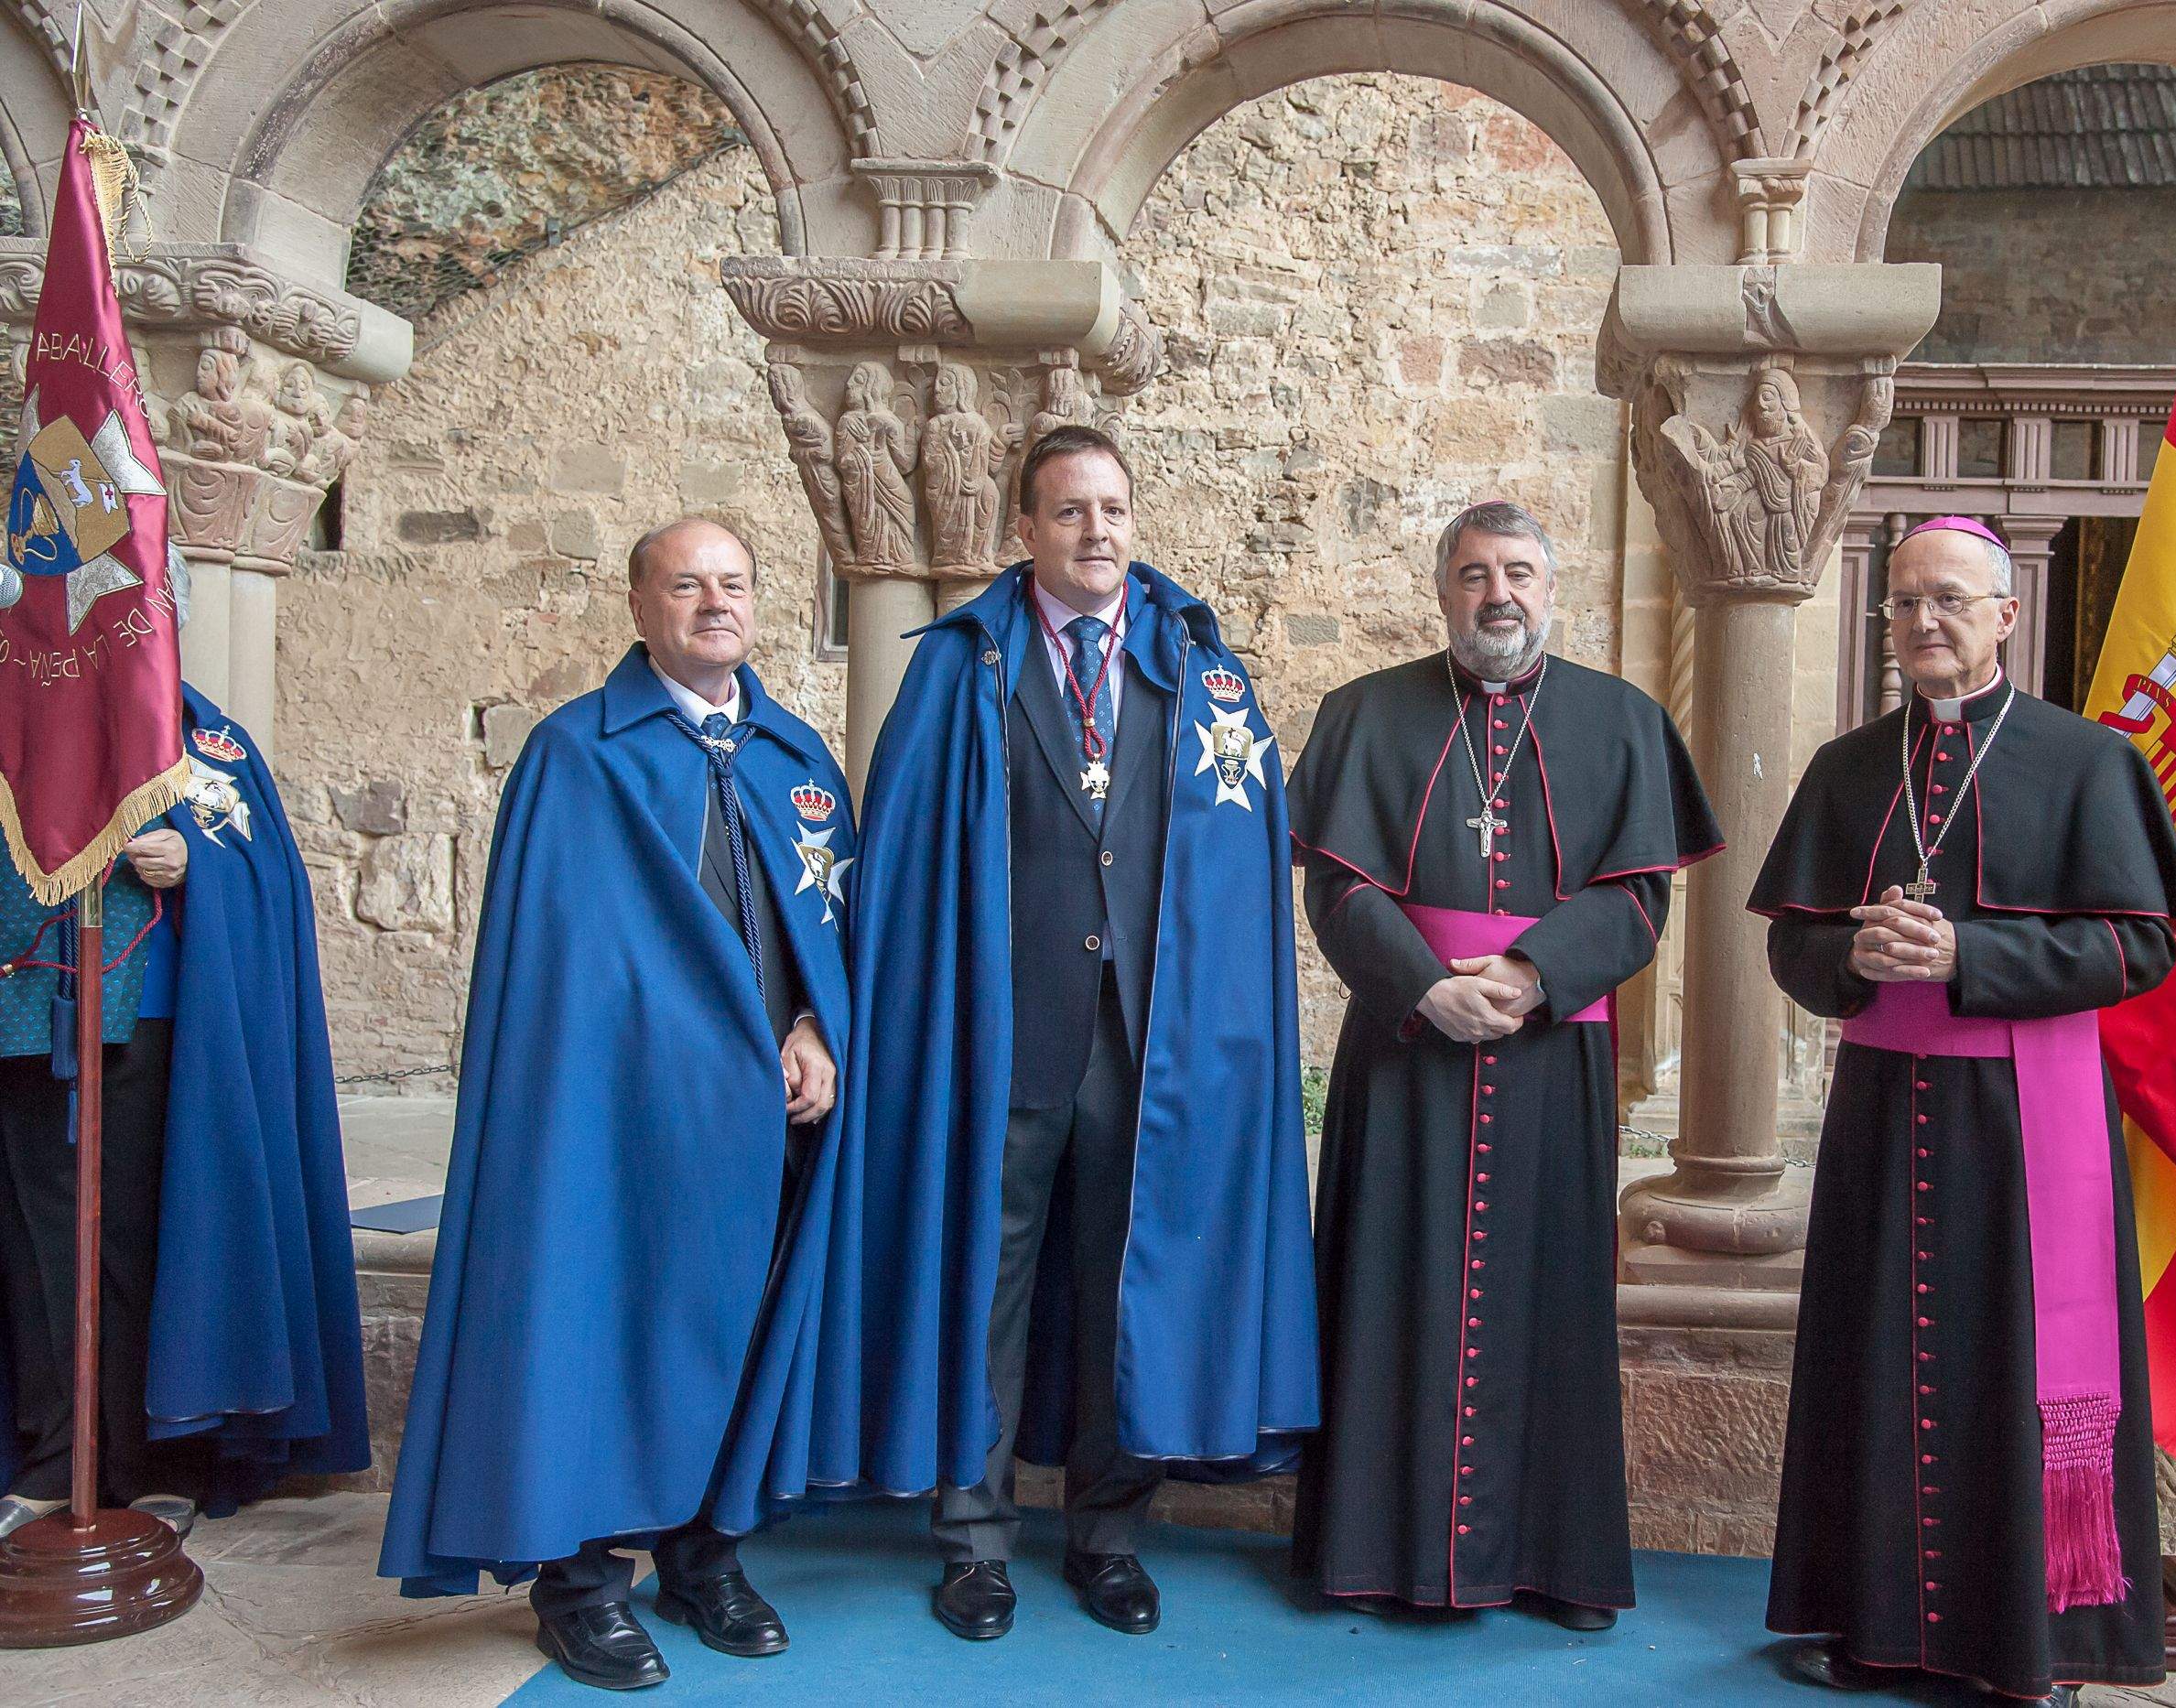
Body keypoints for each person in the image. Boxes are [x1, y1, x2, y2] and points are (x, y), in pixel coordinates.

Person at [845, 424, 1316, 1642]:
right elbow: (904, 858)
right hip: (1002, 1035)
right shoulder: (961, 667)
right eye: (1068, 511)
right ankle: (976, 1540)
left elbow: (1242, 868)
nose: (1095, 530)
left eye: (1111, 509)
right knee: (984, 1288)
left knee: (1129, 1283)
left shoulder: (1198, 670)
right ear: (1024, 530)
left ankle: (1108, 1535)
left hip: (1147, 1043)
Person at [378, 519, 859, 1693]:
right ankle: (583, 1585)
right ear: (639, 606)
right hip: (616, 1122)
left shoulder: (799, 760)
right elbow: (561, 969)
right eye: (686, 585)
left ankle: (704, 1558)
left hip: (766, 1122)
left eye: (734, 585)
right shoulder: (576, 758)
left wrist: (815, 1029)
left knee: (739, 1331)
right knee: (599, 1325)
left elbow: (829, 934)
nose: (714, 605)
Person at [1751, 516, 2176, 1705]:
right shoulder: (1849, 768)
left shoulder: (2086, 762)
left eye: (1948, 600)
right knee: (1874, 1353)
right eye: (1902, 604)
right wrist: (1853, 953)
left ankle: (2030, 1643)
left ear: (2006, 614)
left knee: (2019, 1360)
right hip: (1879, 1119)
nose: (1921, 623)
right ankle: (1870, 1623)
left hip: (2023, 1117)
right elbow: (1791, 946)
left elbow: (2137, 942)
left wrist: (1971, 952)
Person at [1284, 499, 1718, 1627]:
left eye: (1518, 571)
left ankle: (1553, 1562)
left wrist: (1530, 974)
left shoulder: (1621, 722)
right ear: (1443, 591)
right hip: (1406, 1043)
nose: (1499, 595)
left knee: (1552, 1296)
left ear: (1552, 587)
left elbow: (1637, 895)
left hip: (1548, 1052)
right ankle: (1377, 1553)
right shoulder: (1365, 713)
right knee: (1391, 1287)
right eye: (1474, 574)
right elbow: (1338, 886)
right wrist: (1426, 985)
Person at [0, 687, 369, 1539]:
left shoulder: (204, 738)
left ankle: (159, 1457)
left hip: (157, 1012)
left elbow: (264, 868)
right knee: (40, 1241)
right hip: (24, 1005)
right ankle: (60, 1453)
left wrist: (196, 861)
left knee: (143, 1234)